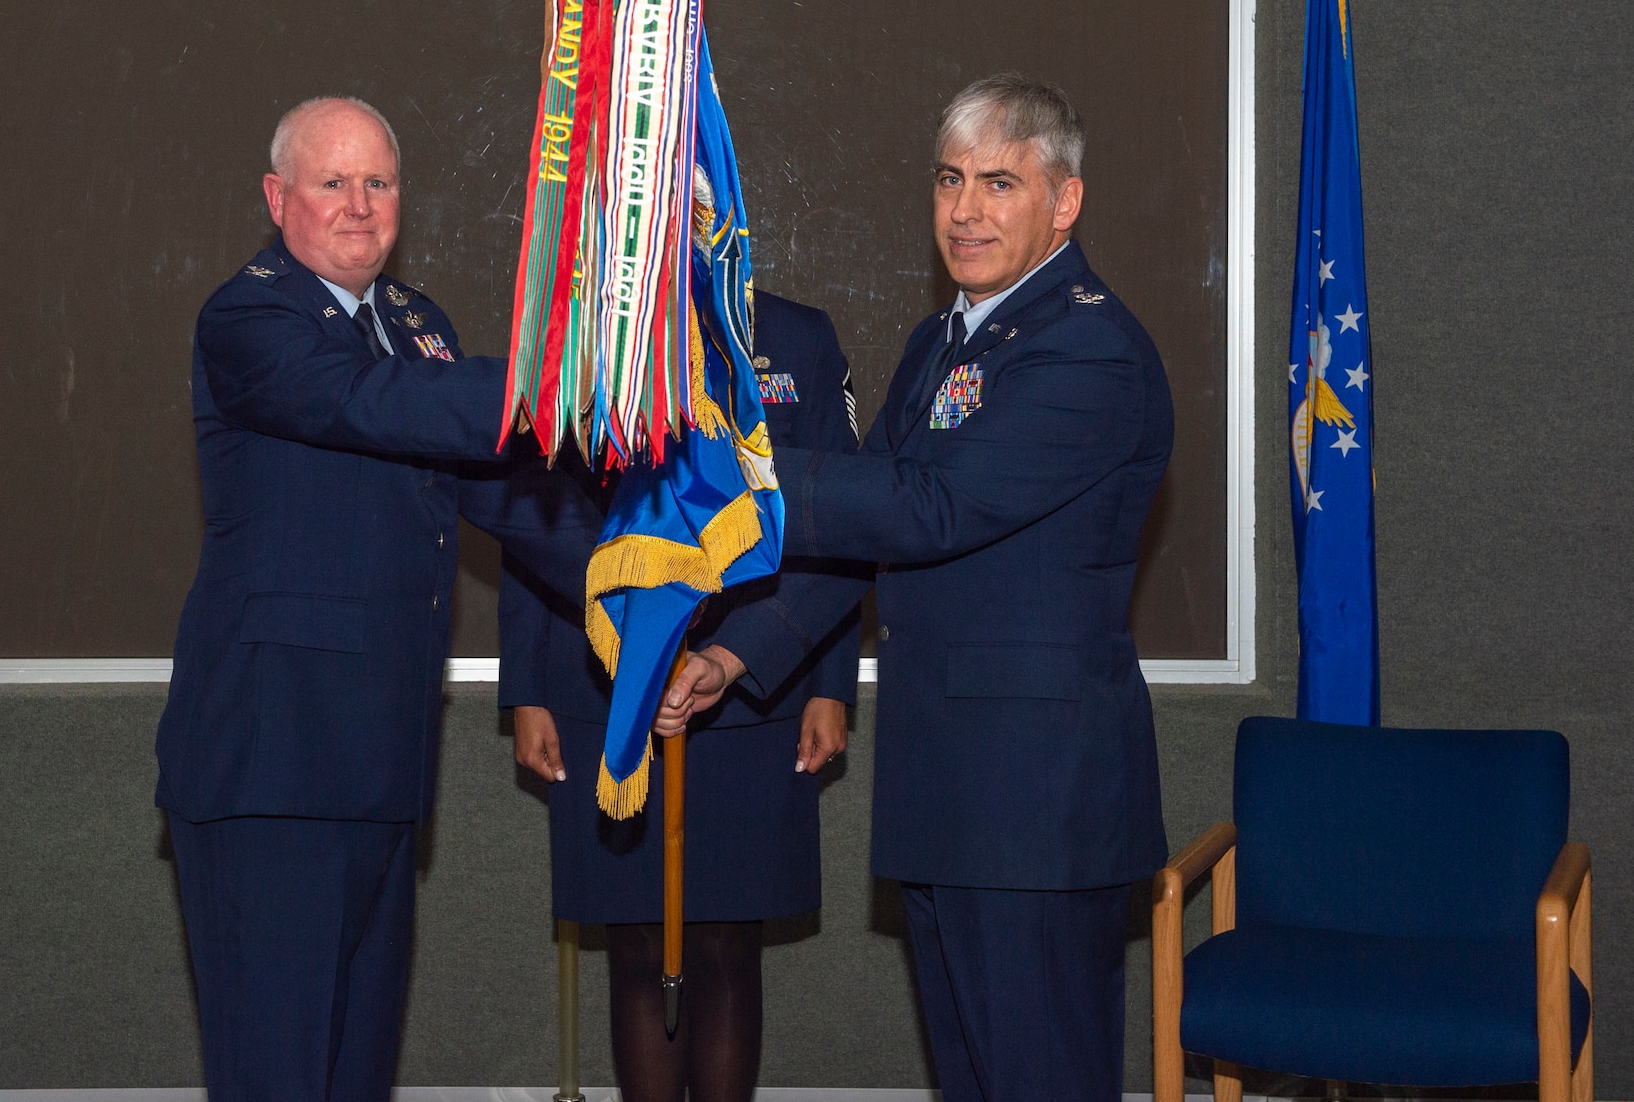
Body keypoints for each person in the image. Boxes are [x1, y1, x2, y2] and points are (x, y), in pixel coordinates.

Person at [653, 74, 1173, 1102]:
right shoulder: (943, 341)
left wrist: (738, 465)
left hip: (1034, 801)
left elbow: (928, 507)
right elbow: (862, 541)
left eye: (997, 183)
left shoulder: (1086, 348)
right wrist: (734, 654)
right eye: (947, 181)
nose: (964, 210)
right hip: (947, 787)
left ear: (1062, 202)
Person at [155, 96, 590, 1102]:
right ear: (277, 197)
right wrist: (561, 381)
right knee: (278, 1075)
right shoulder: (250, 315)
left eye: (379, 182)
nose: (358, 204)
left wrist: (643, 583)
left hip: (383, 762)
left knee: (354, 1075)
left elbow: (504, 499)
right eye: (331, 181)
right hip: (270, 761)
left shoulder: (416, 325)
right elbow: (367, 402)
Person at [501, 274, 866, 1102]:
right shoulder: (578, 335)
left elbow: (842, 519)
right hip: (604, 683)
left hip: (756, 685)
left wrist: (830, 684)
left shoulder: (798, 334)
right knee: (633, 942)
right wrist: (526, 686)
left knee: (728, 944)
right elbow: (530, 512)